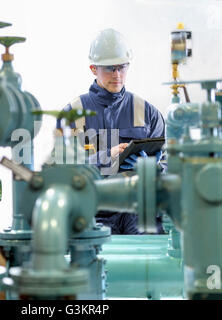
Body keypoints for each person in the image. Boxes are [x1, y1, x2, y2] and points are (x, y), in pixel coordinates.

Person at [58, 28, 166, 235]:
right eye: (109, 69)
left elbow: (170, 166)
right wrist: (107, 157)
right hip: (93, 211)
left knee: (147, 260)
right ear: (93, 68)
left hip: (138, 209)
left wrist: (155, 169)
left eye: (122, 67)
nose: (117, 75)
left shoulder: (147, 112)